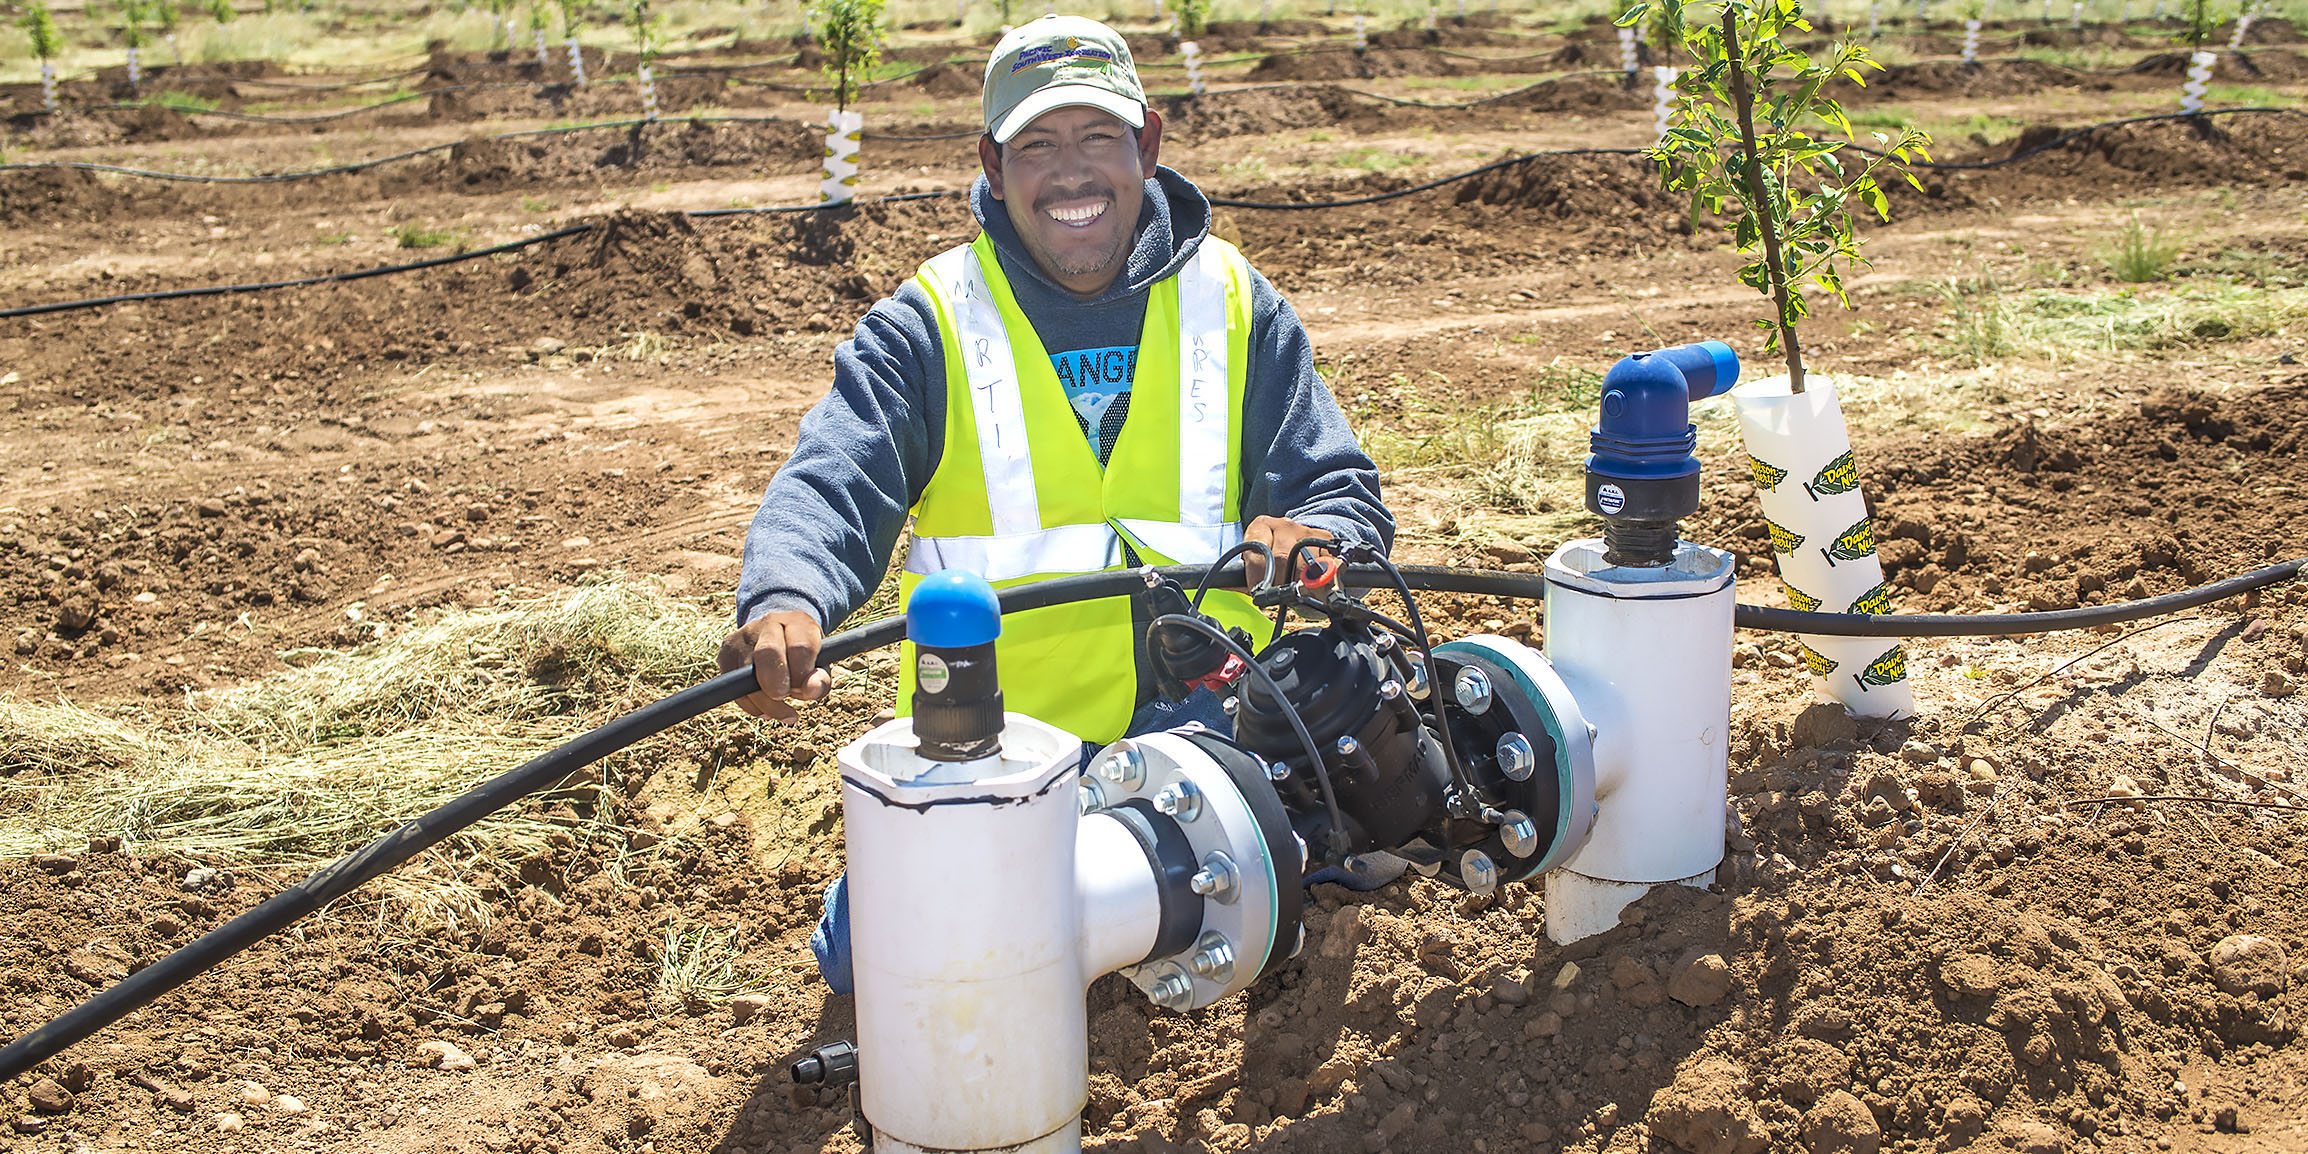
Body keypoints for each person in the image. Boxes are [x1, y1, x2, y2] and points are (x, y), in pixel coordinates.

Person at [717, 14, 1394, 994]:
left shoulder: (1235, 303)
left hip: (1214, 720)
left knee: (1313, 856)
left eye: (1096, 138)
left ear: (1147, 144)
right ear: (993, 166)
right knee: (883, 961)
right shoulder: (930, 325)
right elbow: (834, 482)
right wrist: (785, 597)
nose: (1070, 174)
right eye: (1037, 144)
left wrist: (1317, 531)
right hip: (1004, 747)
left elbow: (1333, 484)